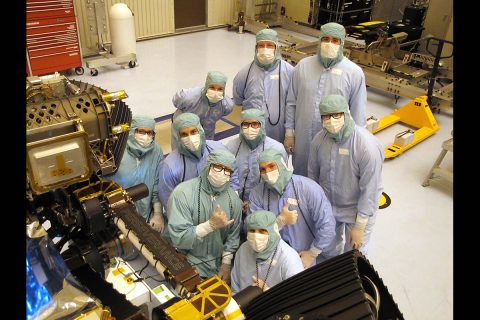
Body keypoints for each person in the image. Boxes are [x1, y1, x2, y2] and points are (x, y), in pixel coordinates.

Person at [284, 22, 367, 176]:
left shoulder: (354, 73)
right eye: (326, 39)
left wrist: (354, 147)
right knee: (301, 178)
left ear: (342, 43)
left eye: (335, 40)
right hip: (302, 140)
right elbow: (291, 102)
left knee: (328, 179)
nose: (330, 44)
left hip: (334, 142)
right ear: (319, 40)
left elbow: (359, 116)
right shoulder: (303, 66)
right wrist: (289, 133)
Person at [308, 94, 384, 259]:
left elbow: (370, 190)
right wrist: (316, 209)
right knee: (327, 250)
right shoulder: (319, 141)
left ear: (347, 113)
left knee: (353, 256)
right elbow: (313, 177)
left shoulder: (366, 146)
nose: (331, 120)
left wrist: (360, 226)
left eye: (336, 115)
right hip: (329, 206)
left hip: (357, 209)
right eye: (326, 116)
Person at [249, 149, 336, 268]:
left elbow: (328, 225)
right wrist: (279, 222)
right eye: (262, 169)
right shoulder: (256, 194)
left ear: (282, 165)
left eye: (271, 166)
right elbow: (255, 232)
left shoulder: (307, 188)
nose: (267, 172)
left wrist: (312, 253)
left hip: (306, 256)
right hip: (275, 256)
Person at [166, 149, 242, 281]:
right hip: (185, 259)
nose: (222, 173)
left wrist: (226, 264)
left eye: (227, 170)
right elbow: (178, 236)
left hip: (217, 266)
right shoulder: (183, 193)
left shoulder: (233, 201)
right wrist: (209, 226)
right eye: (218, 167)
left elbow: (232, 236)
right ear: (208, 166)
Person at [158, 113, 238, 213]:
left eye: (193, 131)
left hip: (222, 206)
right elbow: (170, 202)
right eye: (184, 134)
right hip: (191, 215)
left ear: (200, 130)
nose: (190, 138)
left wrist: (234, 195)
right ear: (177, 137)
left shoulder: (218, 149)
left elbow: (232, 171)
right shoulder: (169, 167)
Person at [233, 28, 294, 143]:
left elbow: (293, 103)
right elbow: (238, 99)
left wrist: (290, 133)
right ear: (256, 48)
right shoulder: (244, 73)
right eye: (261, 45)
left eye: (269, 45)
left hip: (278, 132)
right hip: (252, 132)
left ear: (276, 48)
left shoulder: (289, 72)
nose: (265, 49)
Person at [226, 109, 287, 215]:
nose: (250, 128)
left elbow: (281, 182)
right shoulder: (231, 147)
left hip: (264, 204)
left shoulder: (276, 149)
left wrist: (254, 203)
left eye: (254, 124)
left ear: (262, 125)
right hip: (234, 201)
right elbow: (227, 176)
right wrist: (235, 198)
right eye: (246, 124)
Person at [110, 115, 165, 232]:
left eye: (149, 133)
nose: (145, 136)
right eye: (141, 131)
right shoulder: (117, 152)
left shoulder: (156, 151)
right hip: (119, 216)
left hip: (147, 214)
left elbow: (156, 184)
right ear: (131, 130)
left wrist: (158, 213)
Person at [230, 210, 304, 294]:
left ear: (274, 231)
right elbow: (235, 288)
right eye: (252, 231)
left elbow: (297, 296)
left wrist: (268, 292)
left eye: (262, 231)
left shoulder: (288, 258)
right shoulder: (243, 250)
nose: (256, 236)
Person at [172, 71, 233, 142]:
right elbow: (176, 101)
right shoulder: (188, 97)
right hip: (184, 130)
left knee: (206, 150)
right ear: (206, 86)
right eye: (212, 87)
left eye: (220, 89)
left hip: (207, 132)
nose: (215, 92)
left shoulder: (226, 105)